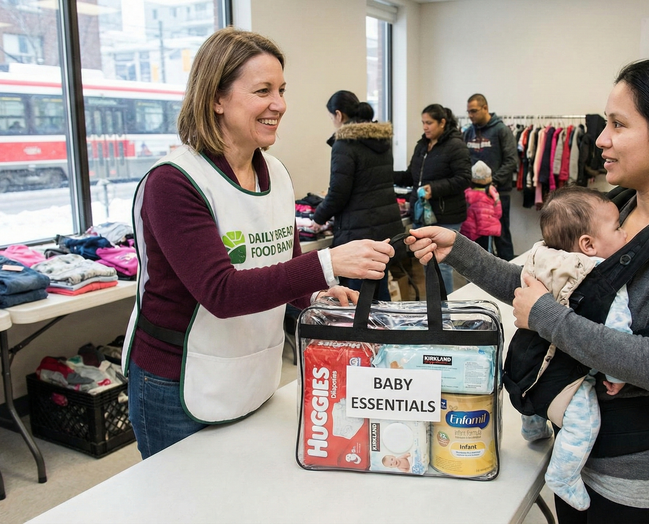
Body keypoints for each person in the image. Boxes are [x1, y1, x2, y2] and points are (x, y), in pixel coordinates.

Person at [405, 56, 649, 522]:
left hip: (636, 477)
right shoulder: (617, 211)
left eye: (618, 125)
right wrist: (458, 250)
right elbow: (540, 287)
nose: (600, 139)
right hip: (576, 451)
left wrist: (545, 316)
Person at [121, 28, 394, 458]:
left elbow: (281, 262)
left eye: (282, 90)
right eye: (263, 90)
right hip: (177, 383)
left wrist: (316, 294)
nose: (280, 105)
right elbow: (222, 293)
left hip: (250, 372)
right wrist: (328, 263)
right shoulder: (173, 182)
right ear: (216, 98)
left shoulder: (276, 174)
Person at [511, 186, 630, 511]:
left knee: (535, 397)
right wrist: (616, 373)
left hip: (527, 363)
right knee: (583, 421)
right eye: (618, 227)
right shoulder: (603, 281)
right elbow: (617, 332)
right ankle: (563, 476)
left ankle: (533, 427)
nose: (625, 232)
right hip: (566, 374)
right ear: (588, 245)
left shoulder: (537, 258)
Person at [312, 90, 404, 300]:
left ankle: (368, 333)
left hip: (358, 234)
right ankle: (385, 332)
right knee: (379, 291)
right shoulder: (381, 141)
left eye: (331, 117)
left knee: (358, 298)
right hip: (384, 230)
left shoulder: (344, 144)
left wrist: (318, 218)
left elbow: (338, 193)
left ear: (338, 115)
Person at [394, 104, 470, 293]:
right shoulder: (422, 145)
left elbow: (464, 179)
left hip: (446, 214)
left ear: (442, 122)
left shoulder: (455, 145)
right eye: (423, 122)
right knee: (429, 263)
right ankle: (436, 307)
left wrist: (434, 189)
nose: (425, 127)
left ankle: (445, 313)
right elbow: (412, 176)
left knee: (441, 264)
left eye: (429, 123)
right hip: (422, 215)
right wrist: (385, 174)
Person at [463, 94, 518, 260]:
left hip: (497, 193)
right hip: (474, 195)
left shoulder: (501, 130)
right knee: (476, 237)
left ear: (485, 108)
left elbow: (511, 161)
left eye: (473, 111)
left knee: (501, 237)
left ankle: (509, 277)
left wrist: (493, 182)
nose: (470, 115)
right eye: (468, 112)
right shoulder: (467, 133)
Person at [460, 160, 502, 252]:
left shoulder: (467, 193)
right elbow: (498, 213)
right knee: (486, 256)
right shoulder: (493, 194)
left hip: (469, 231)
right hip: (486, 232)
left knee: (470, 254)